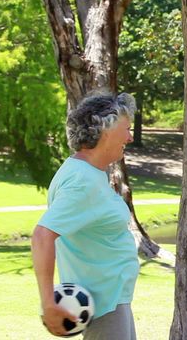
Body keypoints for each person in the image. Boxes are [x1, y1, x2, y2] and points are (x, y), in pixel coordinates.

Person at [31, 92, 139, 339]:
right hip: (104, 305)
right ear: (106, 129)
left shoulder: (87, 173)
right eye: (127, 129)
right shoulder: (82, 181)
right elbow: (42, 235)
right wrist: (48, 303)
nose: (130, 137)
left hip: (112, 299)